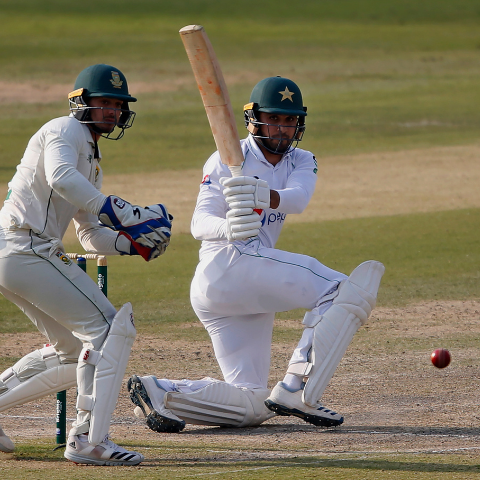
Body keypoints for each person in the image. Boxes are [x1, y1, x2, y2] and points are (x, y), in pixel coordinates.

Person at [126, 76, 384, 432]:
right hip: (226, 265)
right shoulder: (225, 159)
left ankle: (163, 393)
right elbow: (199, 222)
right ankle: (296, 388)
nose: (282, 128)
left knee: (252, 403)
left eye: (289, 120)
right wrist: (229, 227)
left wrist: (264, 195)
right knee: (340, 289)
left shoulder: (303, 160)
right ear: (254, 120)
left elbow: (299, 198)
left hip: (248, 285)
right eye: (274, 119)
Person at [0, 64, 173, 466]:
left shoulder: (91, 158)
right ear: (82, 102)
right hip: (24, 248)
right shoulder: (65, 130)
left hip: (13, 253)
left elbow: (88, 232)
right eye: (103, 102)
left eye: (117, 105)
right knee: (108, 330)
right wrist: (121, 209)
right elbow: (59, 178)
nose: (111, 111)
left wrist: (133, 245)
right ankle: (88, 441)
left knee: (72, 350)